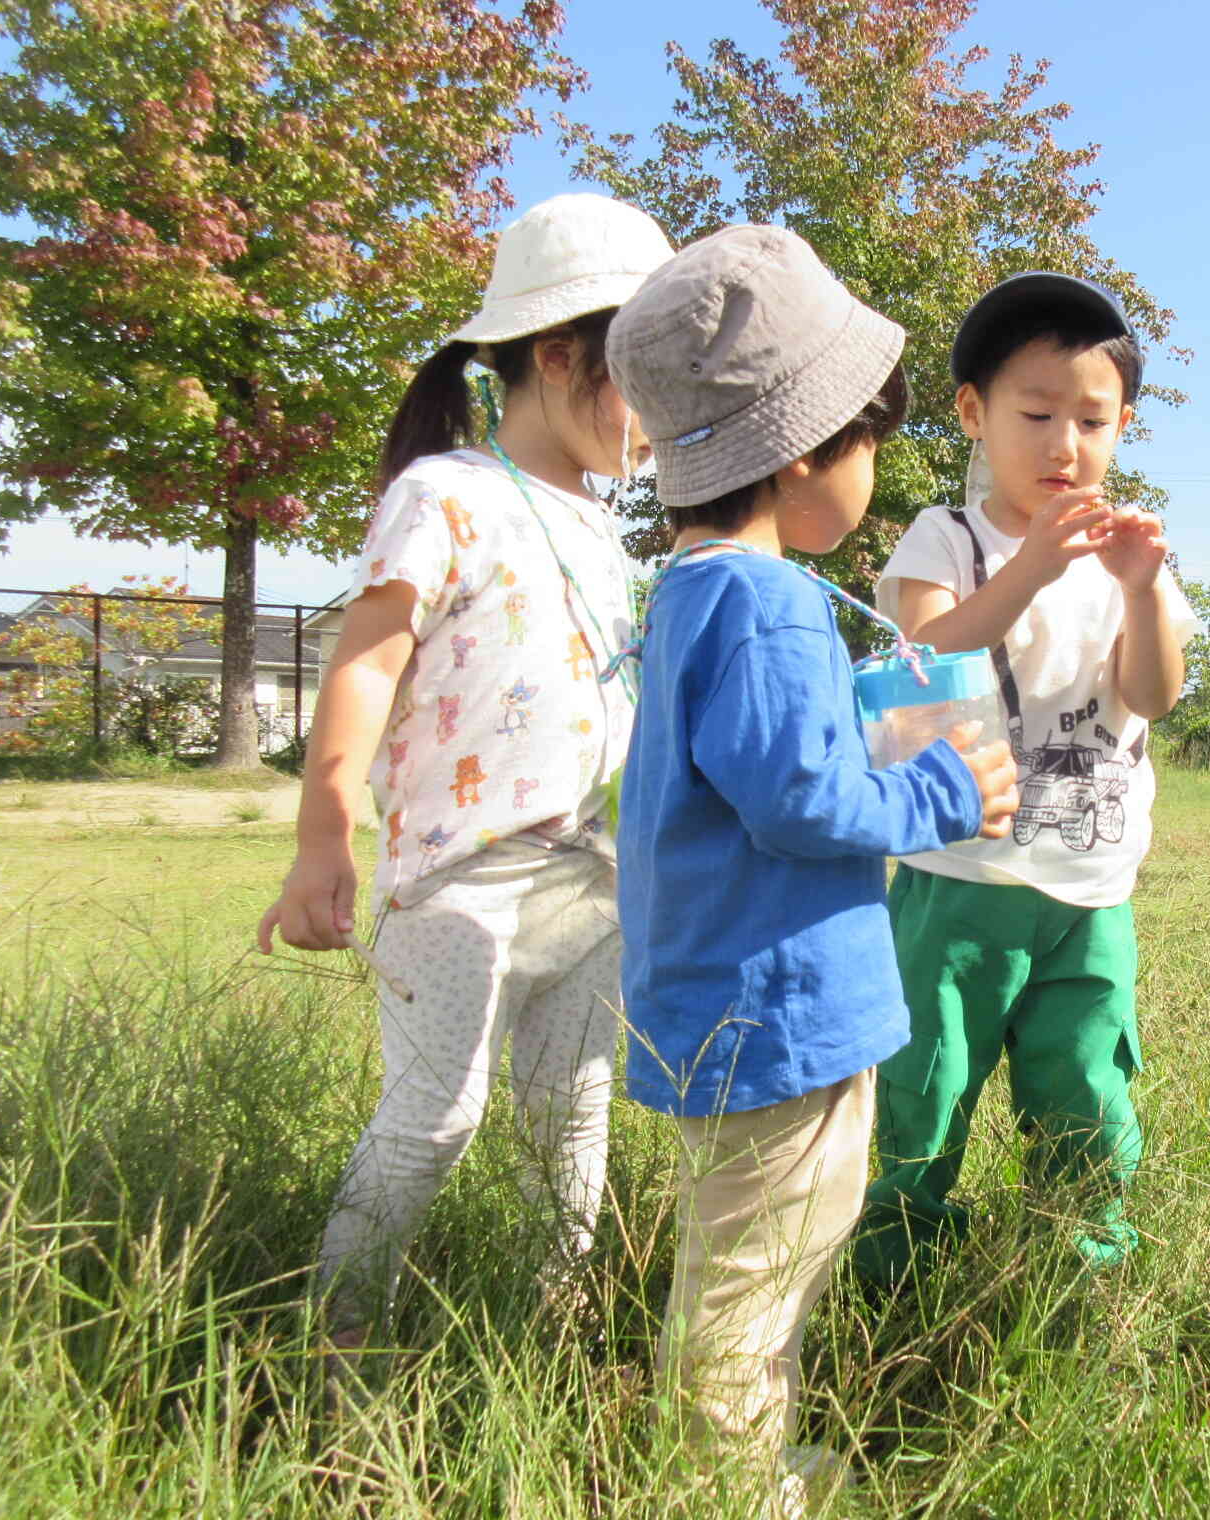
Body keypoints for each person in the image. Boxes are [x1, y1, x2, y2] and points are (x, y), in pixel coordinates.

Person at [605, 224, 1019, 1513]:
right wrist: (943, 787)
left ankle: (739, 1456)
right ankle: (722, 1487)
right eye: (869, 439)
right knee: (753, 1275)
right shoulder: (769, 599)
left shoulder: (689, 593)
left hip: (708, 1002)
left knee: (742, 1253)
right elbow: (794, 800)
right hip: (775, 1011)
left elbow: (754, 763)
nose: (876, 472)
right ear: (800, 452)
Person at [255, 194, 674, 1393]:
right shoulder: (446, 492)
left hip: (588, 883)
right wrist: (323, 837)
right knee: (433, 1118)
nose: (655, 422)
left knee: (575, 1123)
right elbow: (366, 665)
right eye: (639, 379)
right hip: (463, 877)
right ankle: (336, 1348)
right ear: (557, 355)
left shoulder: (606, 530)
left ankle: (549, 1335)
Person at [853, 272, 1199, 1284]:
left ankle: (1080, 1257)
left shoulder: (1133, 554)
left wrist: (1139, 594)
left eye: (1091, 420)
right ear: (972, 413)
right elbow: (919, 657)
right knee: (924, 1079)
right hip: (956, 877)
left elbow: (1154, 691)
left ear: (1123, 425)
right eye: (1035, 414)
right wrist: (1027, 572)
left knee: (1086, 1082)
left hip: (1090, 890)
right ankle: (894, 1254)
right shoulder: (946, 538)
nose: (1063, 445)